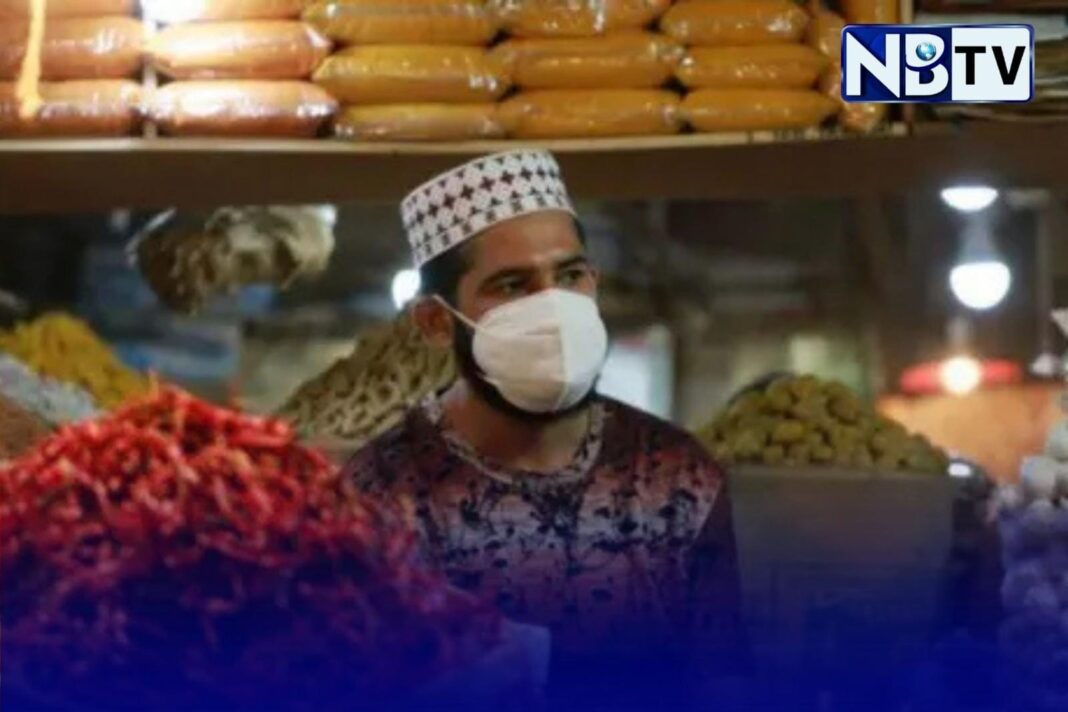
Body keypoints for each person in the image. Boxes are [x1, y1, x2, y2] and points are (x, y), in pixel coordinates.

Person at [344, 150, 747, 707]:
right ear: (436, 322)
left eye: (570, 276)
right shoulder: (381, 494)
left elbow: (725, 683)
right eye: (512, 286)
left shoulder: (677, 477)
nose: (553, 308)